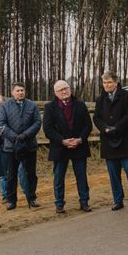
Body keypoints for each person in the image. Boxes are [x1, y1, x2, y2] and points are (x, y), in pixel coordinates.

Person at [93, 71, 128, 211]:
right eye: (104, 82)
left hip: (126, 140)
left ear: (116, 82)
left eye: (109, 82)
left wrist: (117, 128)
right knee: (114, 174)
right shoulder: (99, 99)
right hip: (108, 141)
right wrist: (105, 128)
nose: (107, 85)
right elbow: (96, 118)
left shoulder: (127, 96)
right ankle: (118, 200)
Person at [43, 80, 93, 213]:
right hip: (60, 148)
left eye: (66, 88)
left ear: (70, 89)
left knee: (81, 176)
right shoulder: (50, 107)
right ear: (55, 93)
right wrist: (62, 141)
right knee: (59, 177)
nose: (64, 91)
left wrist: (80, 139)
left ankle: (84, 202)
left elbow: (88, 125)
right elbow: (48, 129)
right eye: (60, 90)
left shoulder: (80, 104)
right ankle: (59, 204)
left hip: (79, 146)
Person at [0, 82, 41, 210]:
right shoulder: (5, 106)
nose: (20, 92)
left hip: (29, 145)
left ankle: (32, 198)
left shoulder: (32, 105)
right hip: (11, 147)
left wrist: (25, 135)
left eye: (22, 90)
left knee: (31, 173)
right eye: (17, 90)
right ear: (12, 92)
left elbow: (37, 122)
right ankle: (12, 200)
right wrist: (15, 137)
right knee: (11, 175)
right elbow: (2, 123)